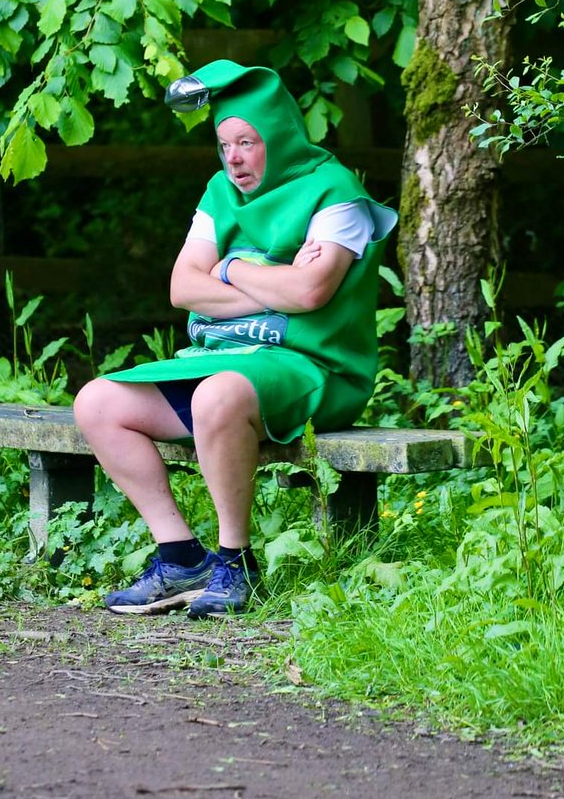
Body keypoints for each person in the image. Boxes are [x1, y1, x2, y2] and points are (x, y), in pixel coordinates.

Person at [73, 60, 397, 618]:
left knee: (216, 395)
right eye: (225, 145)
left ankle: (235, 562)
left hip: (312, 368)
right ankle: (179, 557)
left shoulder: (334, 192)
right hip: (221, 360)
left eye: (247, 142)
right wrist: (269, 276)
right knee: (98, 402)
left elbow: (311, 293)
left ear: (278, 137)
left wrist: (227, 268)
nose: (235, 159)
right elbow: (181, 286)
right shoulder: (221, 191)